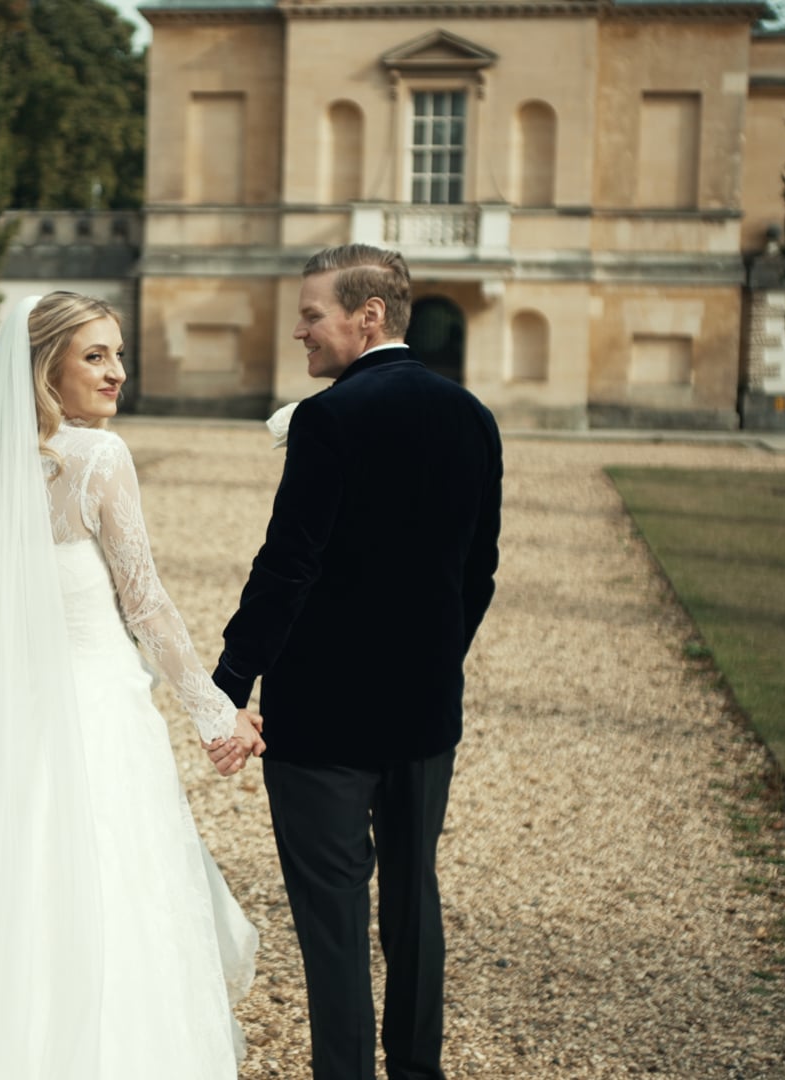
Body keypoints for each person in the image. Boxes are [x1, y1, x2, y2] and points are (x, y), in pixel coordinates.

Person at [0, 292, 266, 1080]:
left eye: (117, 353)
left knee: (18, 891)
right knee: (109, 895)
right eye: (95, 356)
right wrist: (217, 717)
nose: (117, 371)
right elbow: (145, 602)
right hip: (94, 715)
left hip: (9, 719)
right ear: (47, 366)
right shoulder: (98, 458)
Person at [210, 244, 503, 1080]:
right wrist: (437, 662)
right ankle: (418, 1072)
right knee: (414, 903)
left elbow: (288, 566)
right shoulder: (472, 416)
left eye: (312, 314)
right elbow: (477, 570)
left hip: (323, 722)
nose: (299, 330)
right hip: (423, 715)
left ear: (367, 316)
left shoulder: (330, 418)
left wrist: (225, 684)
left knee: (334, 922)